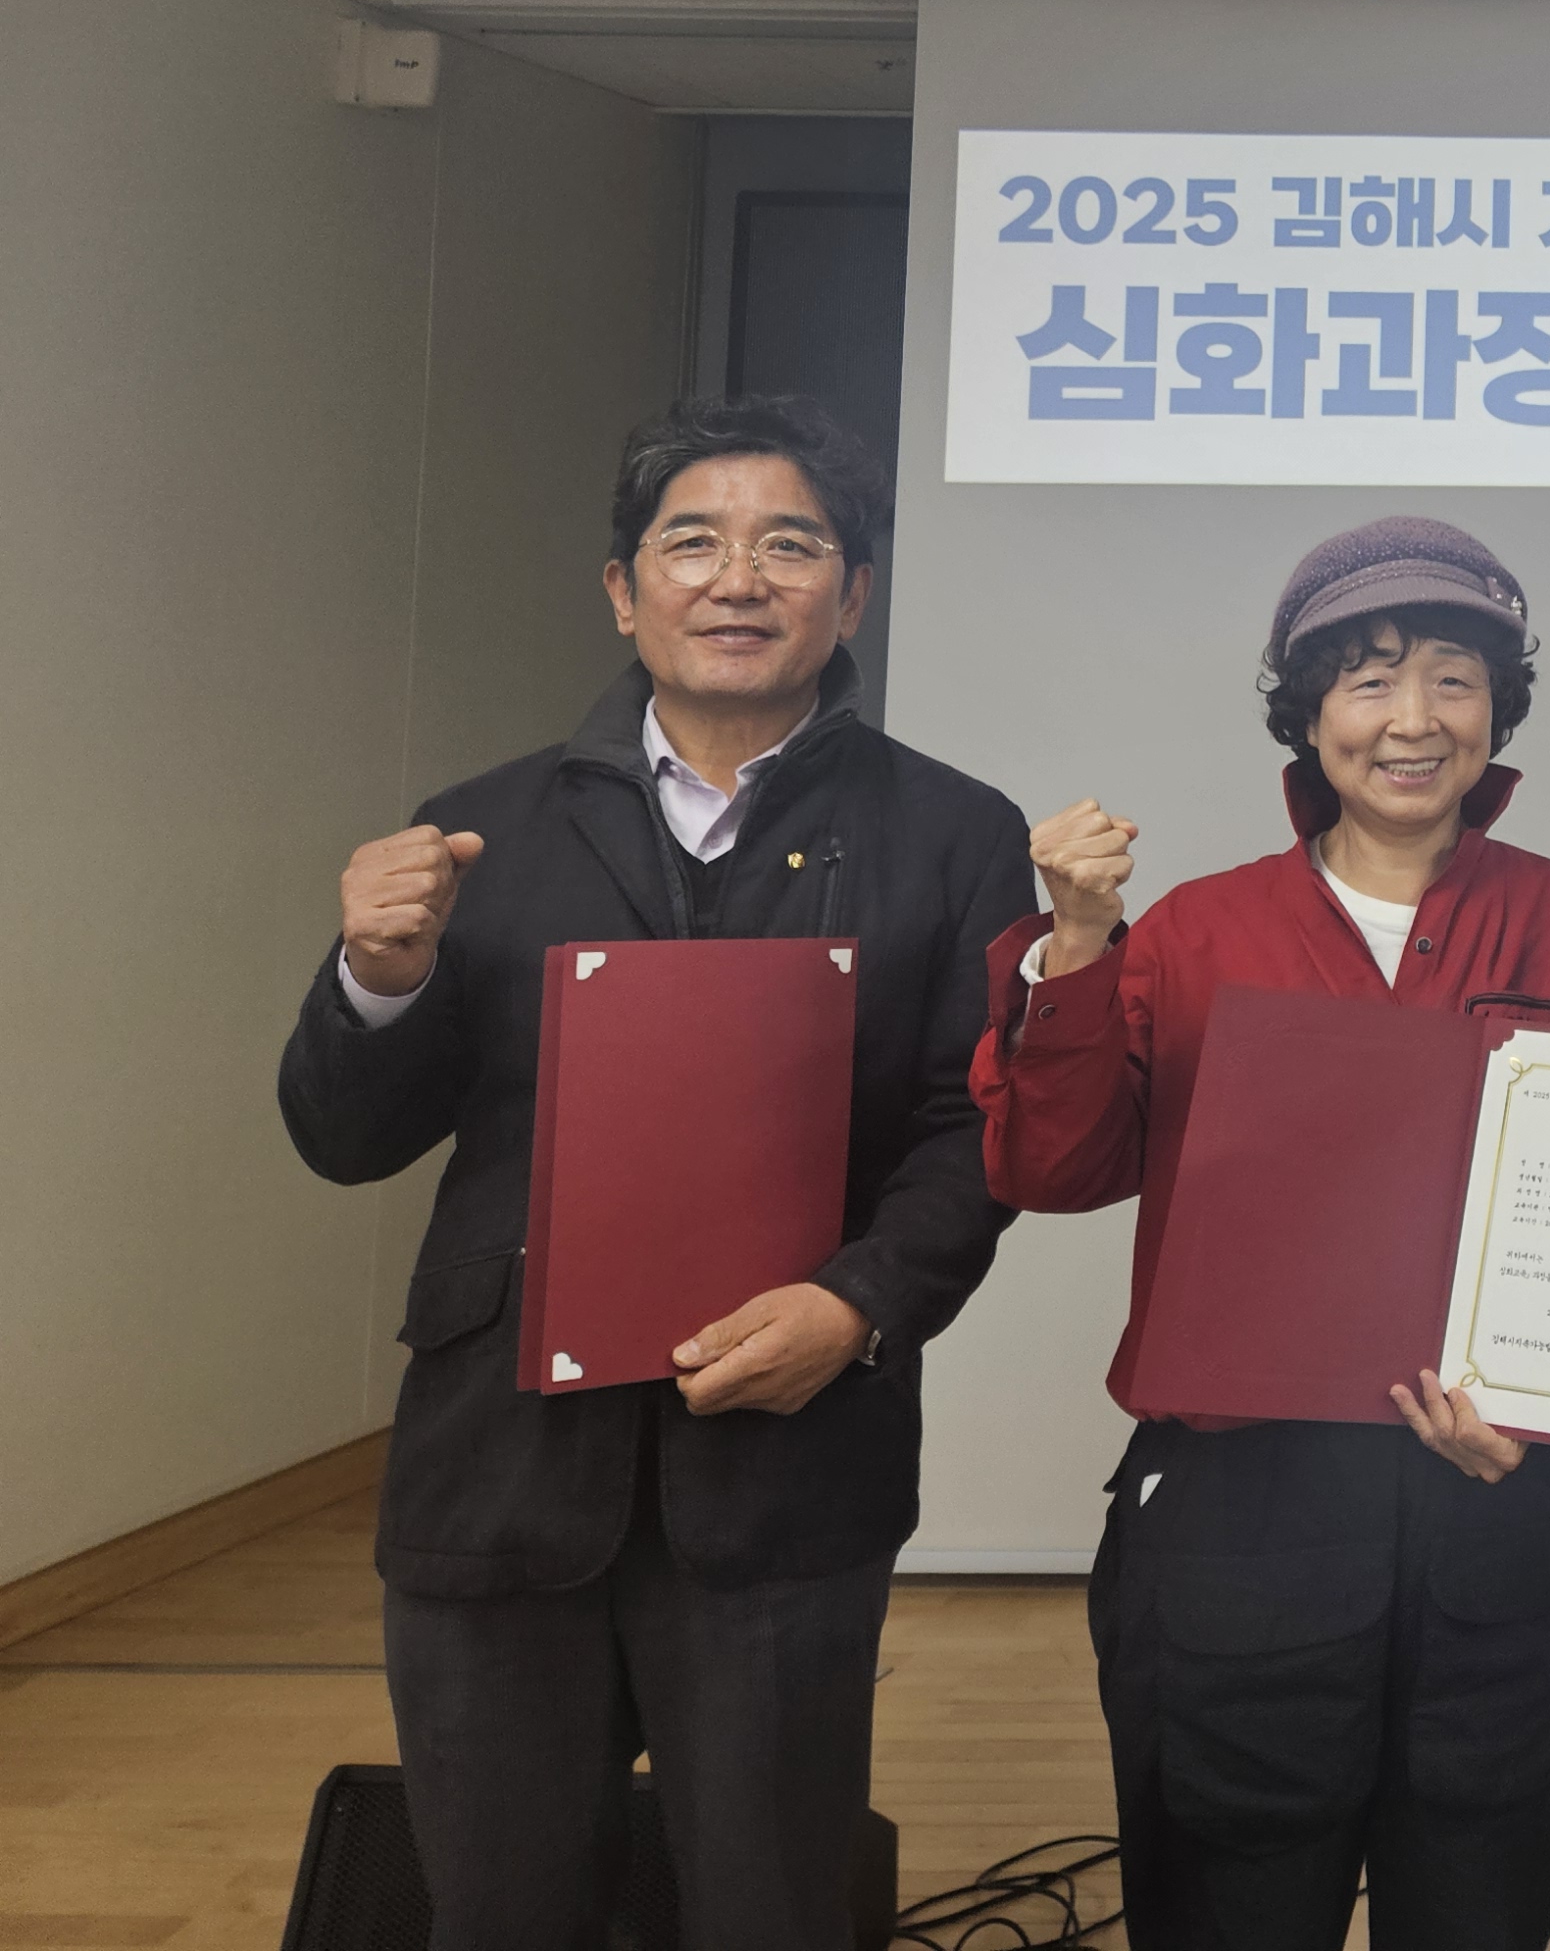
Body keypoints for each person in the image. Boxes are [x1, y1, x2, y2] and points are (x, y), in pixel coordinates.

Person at [275, 395, 1034, 1951]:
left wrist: (859, 1304)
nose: (738, 578)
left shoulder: (955, 833)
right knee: (499, 1912)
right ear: (625, 592)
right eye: (694, 543)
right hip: (498, 1464)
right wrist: (375, 978)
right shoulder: (477, 832)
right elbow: (346, 1139)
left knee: (771, 1907)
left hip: (787, 1471)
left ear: (853, 595)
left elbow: (977, 1127)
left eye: (790, 545)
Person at [979, 516, 1550, 1951]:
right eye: (1368, 681)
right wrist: (1078, 945)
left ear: (1498, 710)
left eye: (1454, 679)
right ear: (1305, 715)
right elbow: (1054, 1166)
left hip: (1501, 1507)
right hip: (1247, 1518)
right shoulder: (1193, 933)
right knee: (1230, 1898)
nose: (1413, 720)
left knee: (1480, 1898)